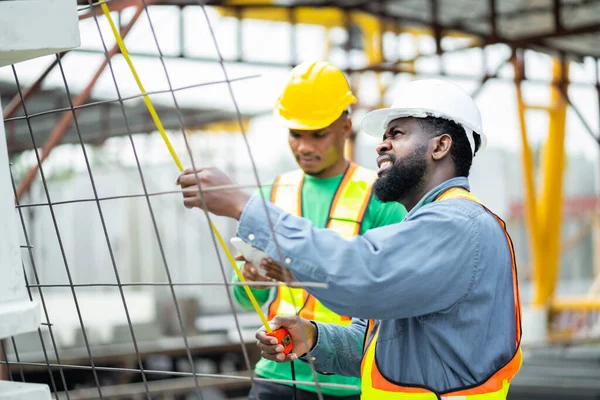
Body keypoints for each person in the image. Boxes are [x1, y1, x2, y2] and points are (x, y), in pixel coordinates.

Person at [177, 79, 522, 399]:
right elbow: (374, 342)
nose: (382, 144)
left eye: (398, 133)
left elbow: (363, 275)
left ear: (440, 146)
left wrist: (243, 206)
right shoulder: (420, 228)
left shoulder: (457, 224)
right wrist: (312, 337)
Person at [230, 60, 407, 399]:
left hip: (347, 380)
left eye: (318, 134)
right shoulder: (270, 194)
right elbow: (242, 297)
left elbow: (389, 291)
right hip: (277, 373)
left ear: (345, 126)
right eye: (296, 134)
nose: (304, 147)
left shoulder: (381, 197)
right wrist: (251, 278)